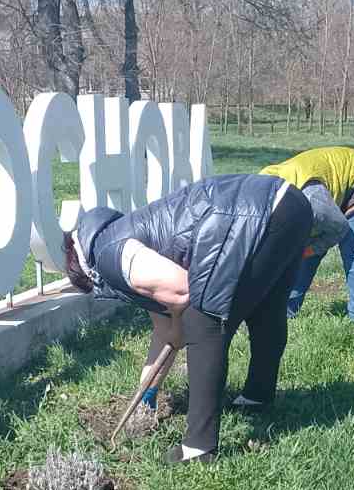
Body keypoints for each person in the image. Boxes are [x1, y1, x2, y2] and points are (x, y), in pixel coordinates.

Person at [63, 175, 313, 463]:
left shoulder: (109, 255)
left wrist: (187, 327)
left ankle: (199, 447)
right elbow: (164, 331)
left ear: (87, 275)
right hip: (288, 204)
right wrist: (149, 392)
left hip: (251, 216)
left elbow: (184, 290)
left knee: (204, 320)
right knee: (266, 309)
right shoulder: (120, 233)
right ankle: (258, 395)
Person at [260, 145, 354, 324]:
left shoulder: (311, 201)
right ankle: (286, 311)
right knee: (306, 251)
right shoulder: (261, 187)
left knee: (352, 249)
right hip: (324, 185)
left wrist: (310, 249)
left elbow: (338, 227)